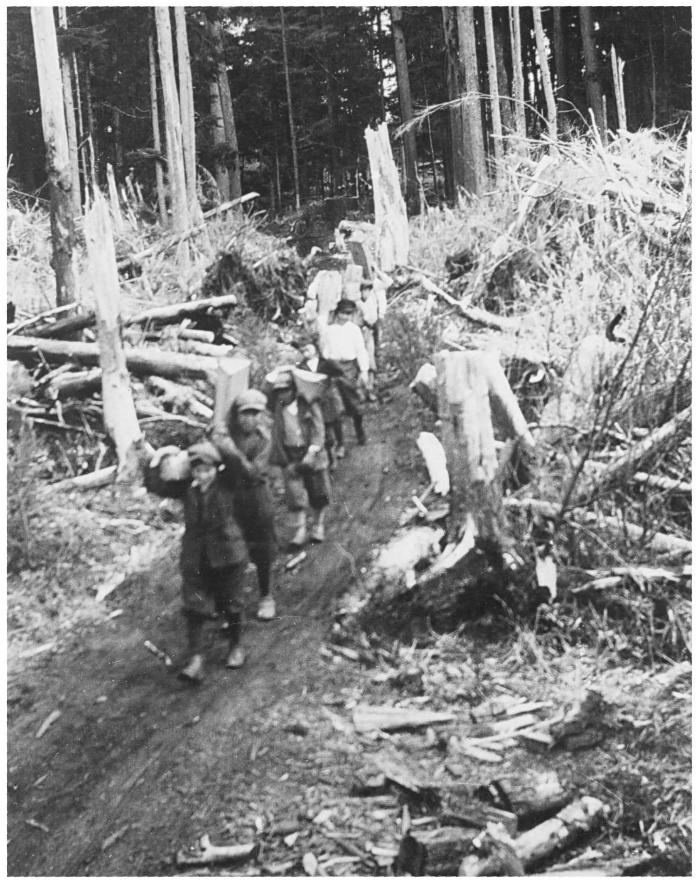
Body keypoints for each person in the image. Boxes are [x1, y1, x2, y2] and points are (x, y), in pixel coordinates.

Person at [145, 441, 249, 684]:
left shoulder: (227, 484)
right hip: (196, 556)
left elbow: (236, 463)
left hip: (227, 554)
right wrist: (154, 461)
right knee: (195, 607)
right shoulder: (186, 488)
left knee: (231, 604)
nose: (202, 475)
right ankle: (196, 660)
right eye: (197, 470)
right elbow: (156, 485)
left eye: (207, 470)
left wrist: (221, 441)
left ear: (216, 469)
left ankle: (236, 646)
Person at [211, 389, 277, 622]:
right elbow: (211, 457)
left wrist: (229, 450)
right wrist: (218, 441)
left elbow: (252, 471)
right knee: (229, 547)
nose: (250, 420)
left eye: (255, 414)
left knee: (263, 548)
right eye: (245, 414)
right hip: (231, 498)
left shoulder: (264, 438)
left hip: (257, 497)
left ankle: (266, 595)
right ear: (236, 415)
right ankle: (229, 603)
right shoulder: (226, 432)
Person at [268, 368, 331, 548]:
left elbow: (319, 429)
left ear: (294, 389)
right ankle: (300, 530)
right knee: (295, 495)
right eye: (279, 391)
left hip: (311, 452)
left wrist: (312, 451)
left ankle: (318, 525)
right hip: (290, 454)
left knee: (318, 491)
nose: (283, 394)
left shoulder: (308, 404)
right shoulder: (278, 408)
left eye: (286, 390)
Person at [320, 297, 369, 446]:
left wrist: (364, 371)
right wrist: (329, 360)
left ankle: (360, 432)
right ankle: (340, 443)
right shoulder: (329, 330)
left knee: (354, 402)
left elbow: (361, 350)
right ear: (337, 313)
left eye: (349, 314)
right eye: (343, 313)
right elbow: (325, 350)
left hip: (350, 369)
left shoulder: (354, 330)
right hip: (333, 369)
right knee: (335, 406)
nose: (345, 317)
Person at [294, 333, 346, 464]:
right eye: (302, 351)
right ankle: (331, 456)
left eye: (308, 349)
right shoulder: (301, 367)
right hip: (317, 401)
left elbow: (340, 372)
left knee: (336, 422)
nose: (306, 353)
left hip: (330, 398)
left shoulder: (326, 362)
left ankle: (341, 444)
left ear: (315, 348)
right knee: (325, 428)